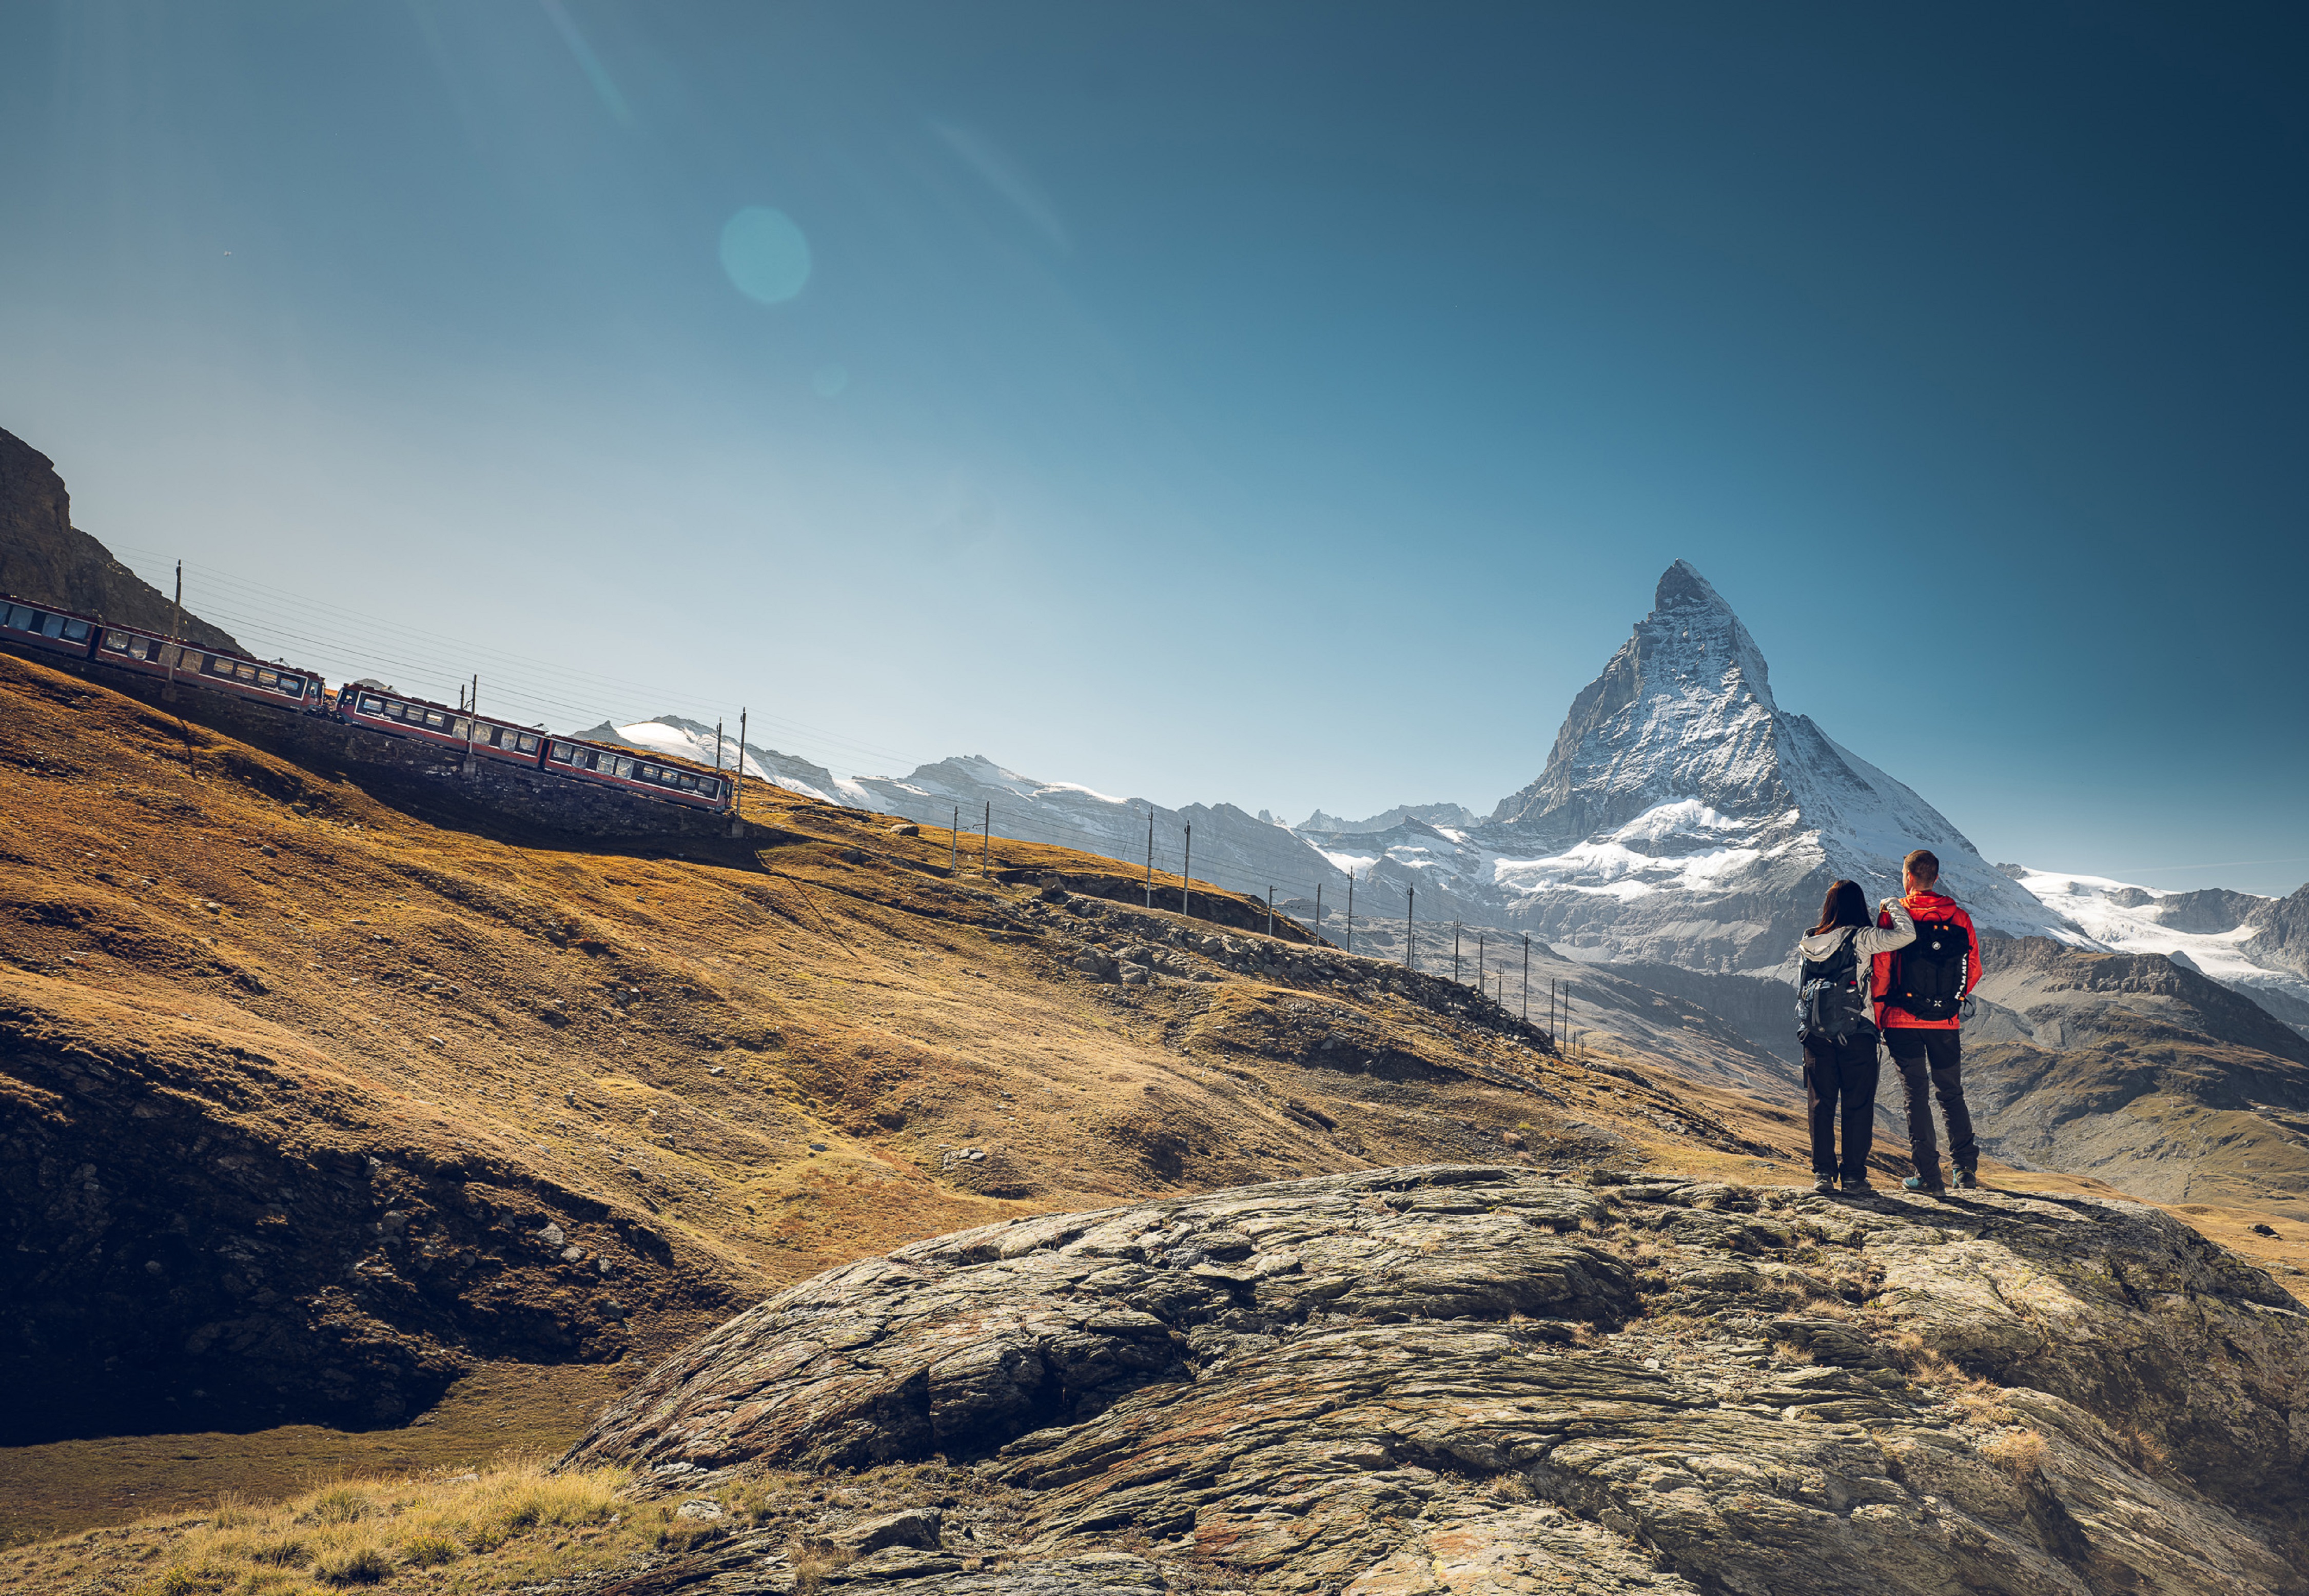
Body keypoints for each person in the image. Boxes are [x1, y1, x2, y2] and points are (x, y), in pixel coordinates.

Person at [1873, 848, 1983, 1193]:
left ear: (1907, 878)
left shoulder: (1897, 916)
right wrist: (1952, 1001)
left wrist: (1880, 1017)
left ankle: (1928, 1176)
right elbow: (1973, 968)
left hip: (1901, 1021)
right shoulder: (1960, 918)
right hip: (1946, 1023)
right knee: (1951, 1093)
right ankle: (1965, 1170)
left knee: (1916, 1095)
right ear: (1936, 879)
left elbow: (1882, 970)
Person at [1794, 880, 1913, 1193]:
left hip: (1815, 1033)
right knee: (1857, 1104)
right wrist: (1892, 904)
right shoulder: (1861, 938)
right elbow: (1906, 935)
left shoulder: (1810, 939)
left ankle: (1822, 1174)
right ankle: (1853, 1177)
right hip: (1857, 1032)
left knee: (1821, 1103)